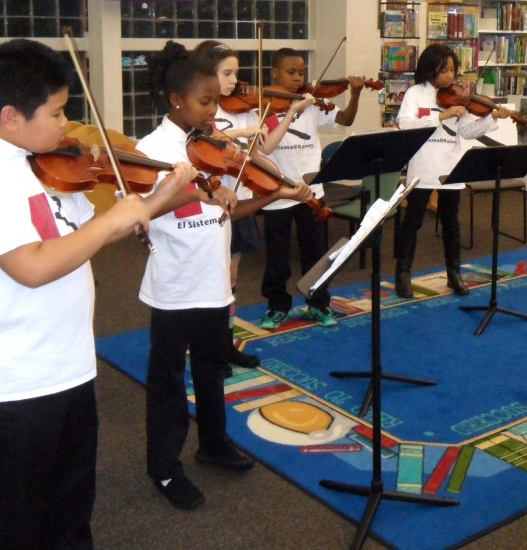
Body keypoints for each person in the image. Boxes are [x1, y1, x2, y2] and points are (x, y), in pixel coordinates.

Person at [0, 39, 197, 549]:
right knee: (12, 521)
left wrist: (155, 201)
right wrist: (119, 215)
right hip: (13, 384)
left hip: (68, 366)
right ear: (11, 116)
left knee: (70, 508)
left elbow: (81, 239)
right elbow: (31, 267)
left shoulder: (36, 158)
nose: (66, 125)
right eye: (56, 112)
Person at [136, 41, 313, 510]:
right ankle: (164, 468)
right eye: (205, 102)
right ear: (177, 101)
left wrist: (279, 196)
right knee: (168, 380)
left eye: (216, 100)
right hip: (175, 288)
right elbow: (142, 214)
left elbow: (230, 212)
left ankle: (213, 445)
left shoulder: (215, 146)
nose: (215, 112)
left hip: (213, 282)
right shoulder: (150, 152)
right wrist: (194, 188)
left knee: (212, 370)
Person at [192, 41, 314, 368]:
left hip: (240, 199)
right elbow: (206, 140)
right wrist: (244, 132)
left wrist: (287, 113)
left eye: (235, 73)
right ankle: (206, 346)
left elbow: (267, 148)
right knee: (209, 278)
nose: (234, 81)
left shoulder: (246, 105)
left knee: (231, 278)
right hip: (211, 202)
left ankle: (226, 345)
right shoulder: (202, 108)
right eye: (226, 73)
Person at [257, 47, 370, 330]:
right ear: (274, 73)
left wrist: (355, 93)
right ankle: (276, 305)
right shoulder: (264, 106)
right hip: (277, 191)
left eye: (301, 73)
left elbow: (345, 119)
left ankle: (319, 303)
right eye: (290, 72)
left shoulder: (313, 102)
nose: (297, 78)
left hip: (311, 190)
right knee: (277, 257)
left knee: (315, 253)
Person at [394, 43, 511, 298]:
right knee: (412, 222)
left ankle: (453, 273)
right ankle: (403, 274)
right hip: (423, 168)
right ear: (429, 69)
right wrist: (441, 116)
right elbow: (405, 124)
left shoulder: (460, 96)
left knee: (451, 222)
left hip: (450, 167)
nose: (450, 76)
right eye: (444, 70)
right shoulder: (415, 94)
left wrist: (492, 118)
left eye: (452, 70)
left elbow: (468, 131)